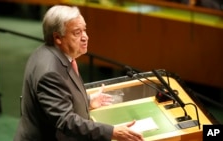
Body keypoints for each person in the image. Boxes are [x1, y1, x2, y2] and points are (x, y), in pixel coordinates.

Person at [13, 5, 144, 141]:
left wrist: (88, 101)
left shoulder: (51, 53)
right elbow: (66, 121)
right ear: (58, 37)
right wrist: (111, 132)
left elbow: (59, 98)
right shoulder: (50, 72)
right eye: (77, 33)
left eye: (84, 30)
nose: (85, 37)